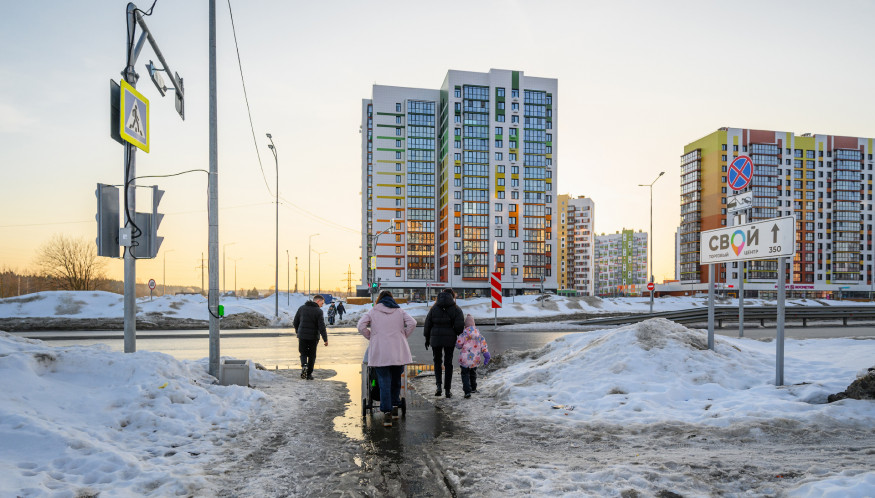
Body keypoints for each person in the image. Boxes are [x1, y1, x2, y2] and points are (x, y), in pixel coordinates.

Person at [357, 290, 416, 427]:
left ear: (379, 299)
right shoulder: (399, 311)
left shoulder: (373, 311)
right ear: (391, 299)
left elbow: (360, 326)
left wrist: (371, 336)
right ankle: (395, 406)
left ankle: (387, 413)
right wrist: (403, 336)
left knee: (383, 381)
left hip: (380, 353)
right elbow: (412, 323)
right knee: (396, 380)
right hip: (397, 352)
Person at [424, 288, 464, 398]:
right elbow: (459, 327)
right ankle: (447, 390)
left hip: (435, 339)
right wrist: (456, 334)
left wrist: (427, 339)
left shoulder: (434, 308)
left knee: (437, 361)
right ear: (452, 296)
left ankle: (438, 387)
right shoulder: (456, 309)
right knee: (448, 363)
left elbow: (428, 324)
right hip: (449, 339)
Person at [293, 294, 328, 380]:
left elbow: (295, 322)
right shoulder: (318, 311)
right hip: (313, 337)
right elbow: (321, 326)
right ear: (318, 301)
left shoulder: (302, 308)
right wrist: (325, 339)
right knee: (312, 355)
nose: (322, 305)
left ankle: (304, 365)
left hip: (302, 336)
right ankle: (309, 374)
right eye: (322, 303)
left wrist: (298, 331)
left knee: (303, 353)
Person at [456, 314, 490, 399]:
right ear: (474, 325)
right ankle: (474, 388)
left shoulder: (463, 335)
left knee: (465, 374)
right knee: (473, 373)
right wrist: (486, 355)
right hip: (475, 359)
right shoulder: (479, 336)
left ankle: (467, 391)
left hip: (465, 359)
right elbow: (484, 346)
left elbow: (458, 345)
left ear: (465, 325)